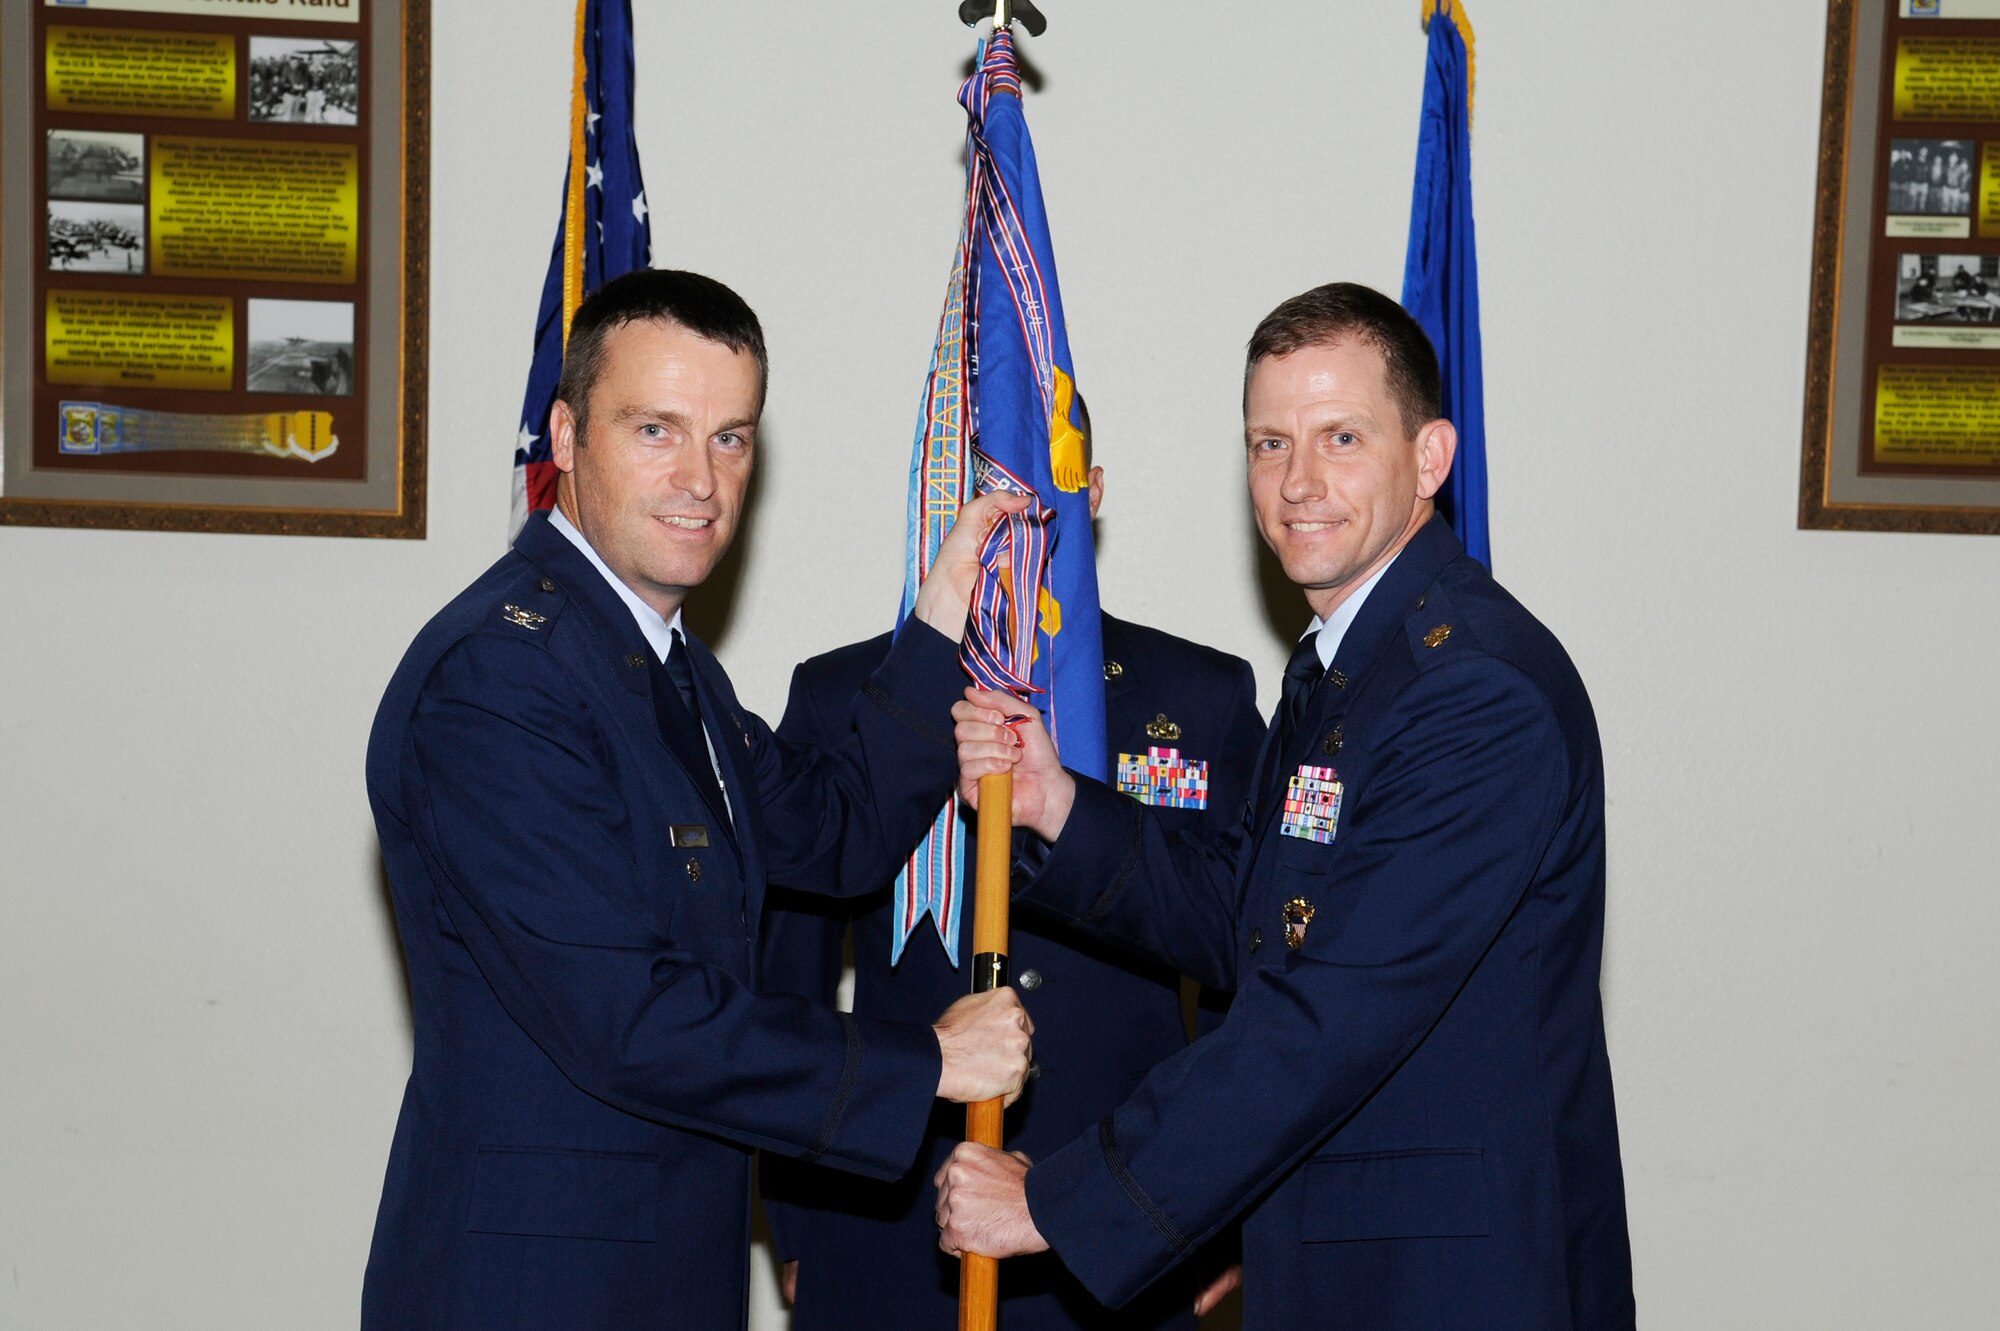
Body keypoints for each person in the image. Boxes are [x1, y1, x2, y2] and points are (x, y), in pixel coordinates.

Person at [940, 282, 1635, 1329]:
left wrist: (1058, 1199)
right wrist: (1056, 806)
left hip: (1451, 1279)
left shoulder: (1472, 691)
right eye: (1268, 444)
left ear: (1430, 458)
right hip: (1344, 1253)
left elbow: (1327, 1017)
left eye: (1339, 437)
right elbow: (1254, 918)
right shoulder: (1351, 666)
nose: (1297, 482)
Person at [362, 269, 1035, 1331]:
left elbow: (833, 832)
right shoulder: (498, 679)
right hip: (532, 1288)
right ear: (567, 436)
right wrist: (928, 1059)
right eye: (654, 429)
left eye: (729, 437)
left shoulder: (663, 663)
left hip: (662, 1267)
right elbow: (626, 1018)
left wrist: (940, 618)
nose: (699, 479)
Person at [758, 405, 1266, 1331]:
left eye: (1037, 489)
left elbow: (1250, 968)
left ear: (1094, 493)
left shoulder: (1199, 696)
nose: (1007, 518)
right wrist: (798, 1219)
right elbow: (783, 972)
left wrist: (1219, 1214)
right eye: (981, 493)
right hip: (888, 1212)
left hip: (1126, 1218)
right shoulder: (843, 699)